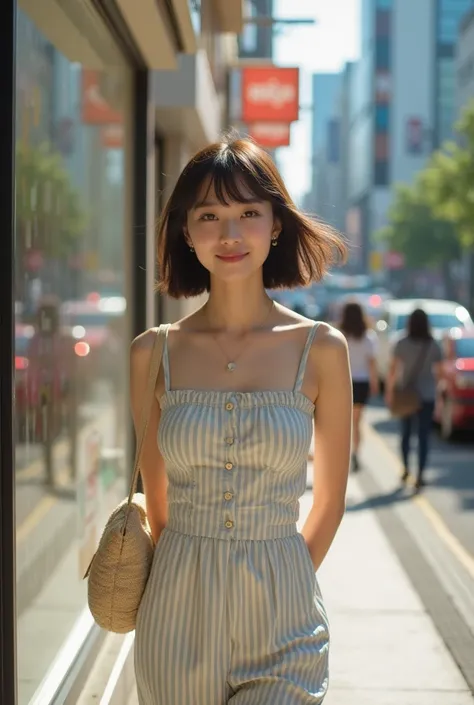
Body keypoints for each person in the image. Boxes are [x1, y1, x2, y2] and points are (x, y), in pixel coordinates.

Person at [130, 136, 352, 704]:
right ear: (185, 230)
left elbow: (329, 501)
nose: (230, 235)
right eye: (209, 215)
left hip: (284, 612)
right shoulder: (151, 353)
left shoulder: (320, 347)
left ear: (276, 224)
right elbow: (156, 501)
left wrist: (287, 577)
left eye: (249, 213)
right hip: (176, 613)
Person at [385, 308, 442, 490]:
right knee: (424, 436)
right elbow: (439, 373)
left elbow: (393, 370)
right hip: (427, 395)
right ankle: (421, 474)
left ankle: (406, 469)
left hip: (406, 394)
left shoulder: (401, 342)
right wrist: (439, 395)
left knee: (406, 434)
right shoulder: (433, 344)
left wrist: (389, 391)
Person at [339, 301, 379, 471]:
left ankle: (342, 454)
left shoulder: (339, 335)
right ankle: (355, 452)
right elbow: (371, 364)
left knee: (342, 422)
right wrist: (375, 384)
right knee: (357, 422)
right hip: (362, 382)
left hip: (343, 381)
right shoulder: (369, 337)